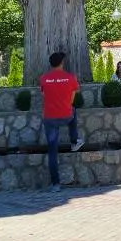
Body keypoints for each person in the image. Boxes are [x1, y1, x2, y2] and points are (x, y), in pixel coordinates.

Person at [39, 51, 83, 186]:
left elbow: (44, 95)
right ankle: (74, 141)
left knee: (52, 151)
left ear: (51, 64)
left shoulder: (44, 79)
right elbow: (73, 96)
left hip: (50, 118)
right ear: (62, 63)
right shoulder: (70, 78)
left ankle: (55, 184)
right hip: (66, 115)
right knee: (74, 112)